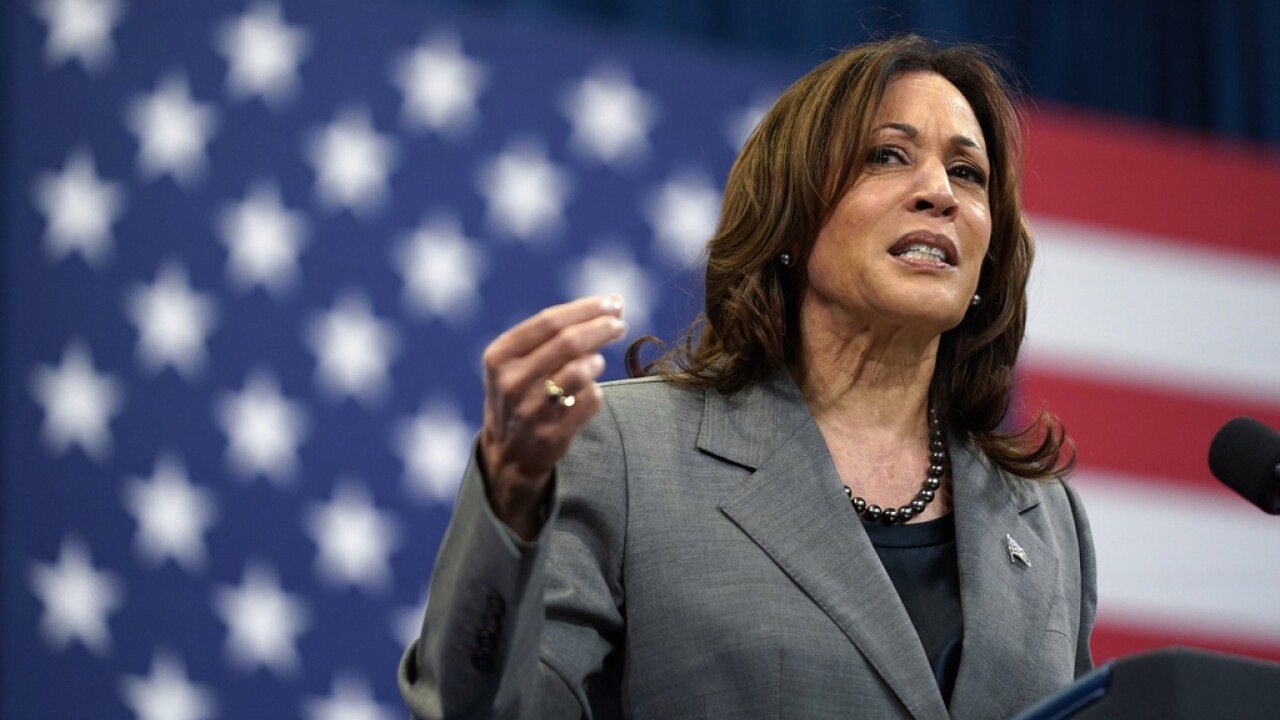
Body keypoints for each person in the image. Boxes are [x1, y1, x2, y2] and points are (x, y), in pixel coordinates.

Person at [398, 34, 1096, 720]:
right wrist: (511, 494)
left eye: (968, 173)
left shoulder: (1045, 517)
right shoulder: (626, 454)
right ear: (790, 220)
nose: (940, 193)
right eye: (886, 155)